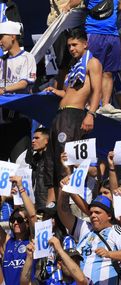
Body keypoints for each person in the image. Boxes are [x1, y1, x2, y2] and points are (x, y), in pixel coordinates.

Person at [44, 28, 102, 204]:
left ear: (85, 44)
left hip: (74, 116)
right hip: (61, 115)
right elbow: (69, 92)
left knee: (65, 161)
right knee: (52, 162)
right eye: (69, 45)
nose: (71, 48)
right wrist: (56, 91)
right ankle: (51, 209)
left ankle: (67, 204)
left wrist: (90, 114)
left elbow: (97, 90)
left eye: (75, 44)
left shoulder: (92, 62)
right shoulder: (75, 65)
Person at [63, 0, 121, 108]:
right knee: (92, 70)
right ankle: (91, 103)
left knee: (109, 72)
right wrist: (68, 5)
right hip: (95, 33)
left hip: (113, 35)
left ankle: (105, 104)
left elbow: (120, 5)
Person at [57, 186, 121, 284]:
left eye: (97, 212)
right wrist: (63, 190)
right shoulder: (85, 229)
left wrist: (109, 254)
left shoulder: (115, 231)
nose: (93, 215)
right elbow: (63, 212)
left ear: (109, 215)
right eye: (91, 213)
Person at [0, 20, 35, 162]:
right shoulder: (1, 60)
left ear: (13, 36)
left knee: (20, 161)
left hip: (20, 115)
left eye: (1, 37)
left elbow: (24, 83)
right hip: (2, 115)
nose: (0, 41)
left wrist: (4, 89)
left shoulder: (27, 57)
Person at [0, 175, 37, 285]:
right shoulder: (7, 242)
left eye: (19, 219)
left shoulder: (32, 241)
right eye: (13, 219)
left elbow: (32, 216)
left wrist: (21, 187)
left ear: (26, 222)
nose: (15, 222)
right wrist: (3, 198)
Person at [20, 237, 91, 285]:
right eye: (68, 261)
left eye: (76, 261)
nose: (73, 264)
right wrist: (29, 257)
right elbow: (25, 283)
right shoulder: (52, 283)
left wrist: (59, 249)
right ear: (59, 265)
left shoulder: (86, 280)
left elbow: (81, 280)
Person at [24, 127, 50, 210]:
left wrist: (51, 206)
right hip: (36, 205)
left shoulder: (53, 159)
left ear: (47, 141)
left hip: (48, 206)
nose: (33, 141)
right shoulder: (35, 160)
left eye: (37, 138)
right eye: (33, 138)